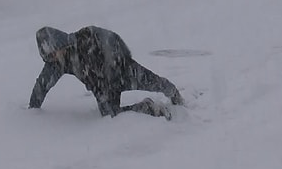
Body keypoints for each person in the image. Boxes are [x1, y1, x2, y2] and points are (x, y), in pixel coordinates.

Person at [29, 26, 185, 120]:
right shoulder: (56, 64)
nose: (54, 57)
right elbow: (42, 84)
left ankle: (176, 96)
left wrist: (119, 60)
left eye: (53, 52)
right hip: (103, 89)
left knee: (155, 82)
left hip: (122, 69)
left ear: (58, 43)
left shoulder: (85, 36)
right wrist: (33, 108)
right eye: (49, 56)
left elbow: (113, 39)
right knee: (111, 117)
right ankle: (147, 108)